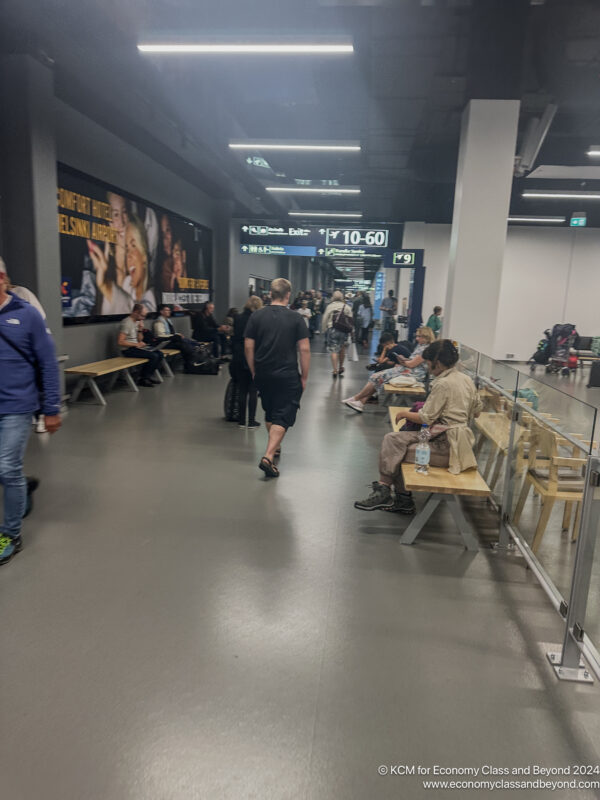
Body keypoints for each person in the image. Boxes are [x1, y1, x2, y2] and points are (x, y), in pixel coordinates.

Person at [353, 339, 482, 514]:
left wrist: (405, 413)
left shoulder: (443, 383)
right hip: (453, 439)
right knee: (394, 440)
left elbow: (425, 418)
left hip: (447, 445)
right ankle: (389, 491)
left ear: (437, 363)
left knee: (398, 449)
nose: (428, 367)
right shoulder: (465, 379)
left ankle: (397, 496)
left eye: (429, 363)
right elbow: (477, 412)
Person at [0, 262, 61, 566]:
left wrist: (51, 409)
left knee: (6, 467)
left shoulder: (27, 314)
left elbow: (48, 364)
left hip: (17, 406)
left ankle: (10, 534)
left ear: (1, 279)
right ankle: (23, 488)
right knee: (5, 470)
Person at [244, 278, 310, 478]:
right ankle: (268, 456)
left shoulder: (256, 316)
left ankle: (276, 446)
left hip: (263, 372)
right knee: (285, 413)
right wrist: (304, 376)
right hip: (287, 373)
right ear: (288, 295)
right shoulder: (296, 318)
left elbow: (248, 346)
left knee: (271, 411)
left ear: (270, 294)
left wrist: (254, 369)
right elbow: (304, 349)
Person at [342, 327, 435, 412]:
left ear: (426, 337)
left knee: (377, 376)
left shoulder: (425, 349)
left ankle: (356, 398)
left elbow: (411, 364)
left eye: (419, 336)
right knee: (379, 377)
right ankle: (361, 402)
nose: (417, 338)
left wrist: (402, 361)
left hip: (413, 374)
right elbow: (413, 361)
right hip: (408, 370)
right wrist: (404, 360)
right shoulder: (421, 347)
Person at [232, 296, 263, 429]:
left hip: (238, 356)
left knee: (242, 389)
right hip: (253, 355)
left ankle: (241, 421)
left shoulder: (237, 318)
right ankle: (251, 421)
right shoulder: (257, 320)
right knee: (252, 390)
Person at [118, 303, 163, 387]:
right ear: (135, 312)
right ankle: (143, 378)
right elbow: (120, 342)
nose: (143, 318)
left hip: (135, 347)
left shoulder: (137, 322)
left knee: (160, 354)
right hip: (128, 350)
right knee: (153, 356)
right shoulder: (126, 323)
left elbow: (140, 339)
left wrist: (140, 329)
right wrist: (136, 344)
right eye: (142, 316)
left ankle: (148, 376)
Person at [153, 304, 197, 370]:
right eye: (166, 310)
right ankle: (189, 364)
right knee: (183, 345)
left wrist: (177, 334)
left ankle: (191, 362)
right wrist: (174, 336)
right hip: (164, 343)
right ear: (161, 312)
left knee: (185, 342)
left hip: (171, 340)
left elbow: (172, 333)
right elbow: (161, 335)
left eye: (169, 310)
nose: (169, 311)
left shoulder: (168, 321)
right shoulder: (159, 322)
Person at [321, 290, 353, 378]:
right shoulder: (346, 306)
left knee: (333, 349)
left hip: (333, 329)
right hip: (343, 330)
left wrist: (324, 329)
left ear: (333, 298)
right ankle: (340, 367)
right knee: (342, 348)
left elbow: (325, 318)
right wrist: (351, 332)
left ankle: (334, 370)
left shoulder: (330, 306)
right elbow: (350, 319)